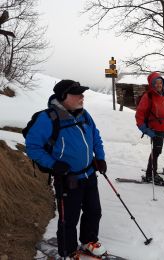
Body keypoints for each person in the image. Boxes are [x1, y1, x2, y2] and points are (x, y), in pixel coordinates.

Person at [25, 80, 107, 258]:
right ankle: (68, 251)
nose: (82, 97)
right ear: (63, 97)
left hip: (89, 173)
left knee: (94, 211)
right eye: (77, 94)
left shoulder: (84, 115)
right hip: (68, 179)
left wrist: (99, 157)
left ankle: (88, 241)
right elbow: (32, 147)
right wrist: (53, 164)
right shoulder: (48, 118)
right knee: (68, 219)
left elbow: (95, 135)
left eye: (82, 93)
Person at [135, 72, 164, 184]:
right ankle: (150, 174)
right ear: (151, 84)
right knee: (156, 151)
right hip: (155, 128)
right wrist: (145, 129)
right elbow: (139, 115)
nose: (158, 85)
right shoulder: (148, 97)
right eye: (155, 83)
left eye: (160, 82)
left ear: (163, 83)